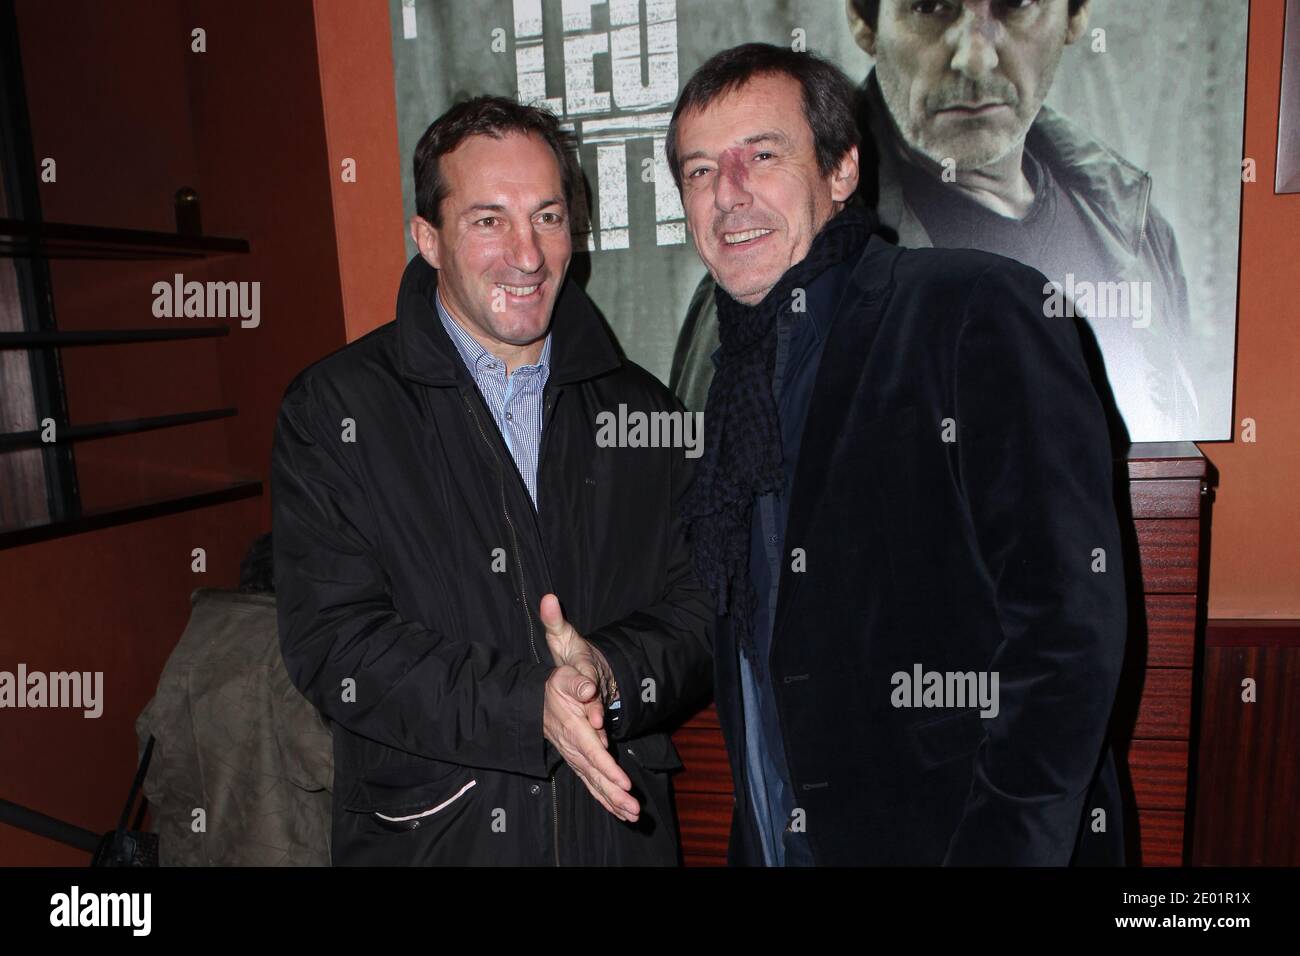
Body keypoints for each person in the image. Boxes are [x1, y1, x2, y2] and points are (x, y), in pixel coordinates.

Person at [666, 43, 1127, 865]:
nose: (727, 194)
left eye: (762, 156)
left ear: (842, 171)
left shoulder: (973, 310)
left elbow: (1066, 638)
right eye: (700, 172)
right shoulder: (719, 374)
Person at [272, 95, 712, 865]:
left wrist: (610, 674)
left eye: (547, 216)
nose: (529, 254)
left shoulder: (648, 411)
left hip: (617, 835)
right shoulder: (335, 409)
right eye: (488, 220)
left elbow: (706, 611)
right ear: (428, 238)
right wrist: (525, 706)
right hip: (435, 843)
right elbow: (332, 643)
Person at [671, 0, 1197, 441]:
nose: (974, 56)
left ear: (1076, 15)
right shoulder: (766, 276)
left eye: (1016, 4)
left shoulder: (1135, 228)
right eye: (929, 4)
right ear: (863, 19)